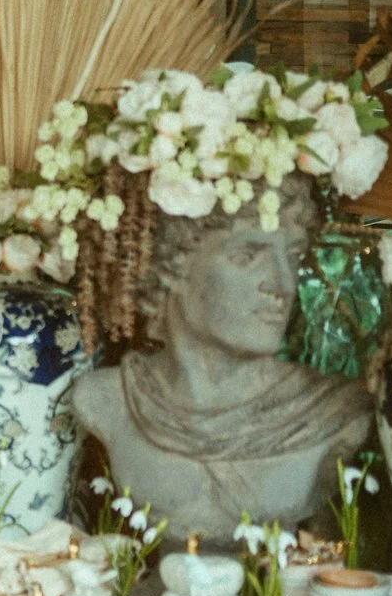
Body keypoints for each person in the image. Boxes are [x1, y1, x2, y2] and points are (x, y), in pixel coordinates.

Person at [67, 177, 369, 538]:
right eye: (246, 256)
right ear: (171, 269)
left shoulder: (333, 414)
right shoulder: (108, 398)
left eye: (292, 256)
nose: (282, 285)